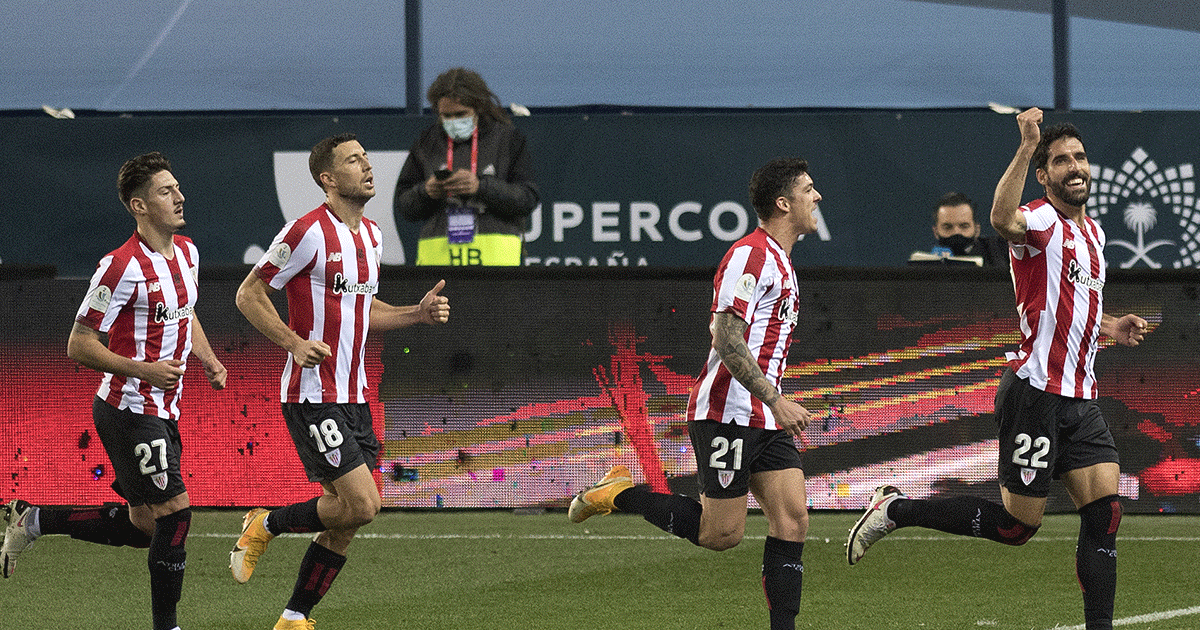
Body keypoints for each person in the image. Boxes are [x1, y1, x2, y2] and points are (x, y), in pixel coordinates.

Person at [848, 108, 1149, 630]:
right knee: (1017, 526)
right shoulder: (1039, 221)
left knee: (1106, 513)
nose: (1074, 166)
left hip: (1081, 397)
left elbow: (1075, 308)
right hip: (1034, 394)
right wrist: (1025, 144)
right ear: (1043, 174)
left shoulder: (1096, 235)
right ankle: (897, 508)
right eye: (1059, 161)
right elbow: (1000, 220)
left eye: (1079, 156)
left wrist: (1111, 325)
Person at [570, 157, 819, 630]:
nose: (817, 197)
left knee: (793, 521)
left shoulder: (781, 259)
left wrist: (771, 405)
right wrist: (775, 398)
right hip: (727, 413)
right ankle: (620, 494)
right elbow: (726, 338)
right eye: (808, 189)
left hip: (764, 417)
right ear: (784, 203)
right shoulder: (752, 255)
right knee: (720, 534)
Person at [232, 133, 450, 630]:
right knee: (363, 505)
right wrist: (292, 341)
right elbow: (249, 294)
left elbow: (363, 311)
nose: (367, 167)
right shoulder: (306, 231)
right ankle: (264, 523)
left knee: (347, 519)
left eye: (368, 158)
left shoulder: (372, 235)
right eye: (354, 160)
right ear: (328, 179)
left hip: (356, 396)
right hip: (313, 395)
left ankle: (293, 617)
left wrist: (415, 314)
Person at [1, 152, 227, 630]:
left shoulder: (188, 252)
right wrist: (143, 369)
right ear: (139, 206)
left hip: (166, 408)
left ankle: (36, 519)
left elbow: (186, 312)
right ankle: (166, 625)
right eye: (166, 192)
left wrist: (206, 358)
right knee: (176, 515)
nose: (180, 197)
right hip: (128, 408)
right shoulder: (118, 266)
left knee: (146, 527)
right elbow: (78, 344)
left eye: (177, 187)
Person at [394, 67, 539, 266]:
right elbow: (404, 205)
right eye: (446, 116)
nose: (453, 121)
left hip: (496, 266)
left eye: (461, 114)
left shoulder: (508, 140)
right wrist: (426, 192)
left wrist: (480, 187)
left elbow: (528, 198)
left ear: (478, 108)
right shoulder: (427, 142)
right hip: (438, 265)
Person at [910, 191, 1009, 267]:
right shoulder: (926, 266)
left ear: (977, 229)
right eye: (947, 227)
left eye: (964, 226)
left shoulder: (998, 253)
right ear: (935, 232)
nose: (956, 232)